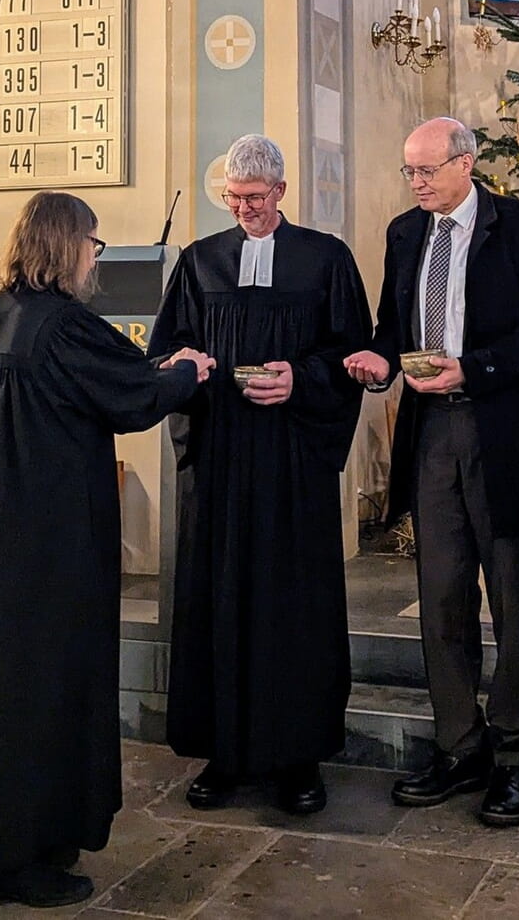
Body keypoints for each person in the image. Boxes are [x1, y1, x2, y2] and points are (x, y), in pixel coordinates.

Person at [0, 191, 213, 909]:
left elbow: (108, 373)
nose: (96, 257)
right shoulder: (62, 326)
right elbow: (130, 394)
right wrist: (187, 372)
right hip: (50, 543)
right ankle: (17, 862)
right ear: (66, 245)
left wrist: (158, 366)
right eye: (92, 243)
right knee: (43, 692)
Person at [344, 117, 519, 828]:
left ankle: (512, 754)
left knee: (510, 599)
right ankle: (459, 744)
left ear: (465, 164)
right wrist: (381, 360)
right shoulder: (406, 232)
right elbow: (393, 325)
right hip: (432, 432)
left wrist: (471, 368)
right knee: (440, 596)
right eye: (408, 171)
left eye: (426, 171)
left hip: (501, 427)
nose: (414, 182)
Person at [151, 134, 371, 815]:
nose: (243, 208)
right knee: (217, 599)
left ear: (281, 191)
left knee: (291, 606)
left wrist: (298, 380)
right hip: (218, 459)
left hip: (291, 463)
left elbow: (351, 352)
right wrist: (186, 364)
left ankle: (298, 758)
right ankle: (223, 753)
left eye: (254, 196)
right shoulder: (199, 260)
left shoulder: (326, 259)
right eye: (233, 197)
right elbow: (168, 349)